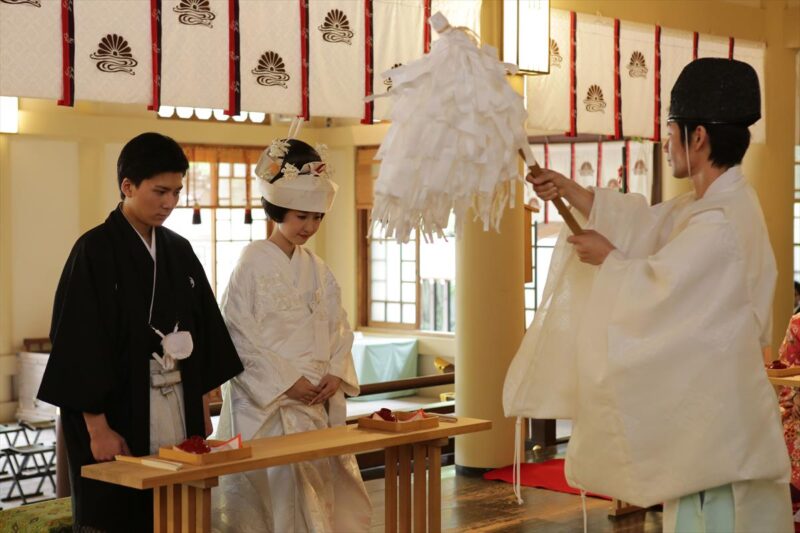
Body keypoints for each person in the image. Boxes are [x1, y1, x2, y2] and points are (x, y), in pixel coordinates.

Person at [503, 58, 792, 532]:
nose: (665, 142)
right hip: (709, 422)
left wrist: (612, 261)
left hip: (720, 432)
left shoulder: (720, 222)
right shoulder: (712, 207)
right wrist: (573, 192)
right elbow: (648, 226)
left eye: (671, 130)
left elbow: (663, 290)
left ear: (697, 137)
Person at [37, 132, 244, 532]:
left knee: (179, 511)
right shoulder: (93, 251)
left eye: (177, 192)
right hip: (117, 415)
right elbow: (78, 345)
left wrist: (201, 411)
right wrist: (97, 429)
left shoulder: (179, 250)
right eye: (159, 191)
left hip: (178, 406)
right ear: (127, 186)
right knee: (120, 514)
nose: (169, 203)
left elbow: (203, 330)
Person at [212, 138, 371, 532]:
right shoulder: (250, 263)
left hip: (315, 399)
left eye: (317, 218)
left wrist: (335, 371)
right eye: (302, 217)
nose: (310, 227)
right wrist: (287, 382)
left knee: (316, 496)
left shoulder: (318, 267)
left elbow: (340, 326)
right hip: (268, 404)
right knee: (272, 498)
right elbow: (237, 334)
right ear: (277, 208)